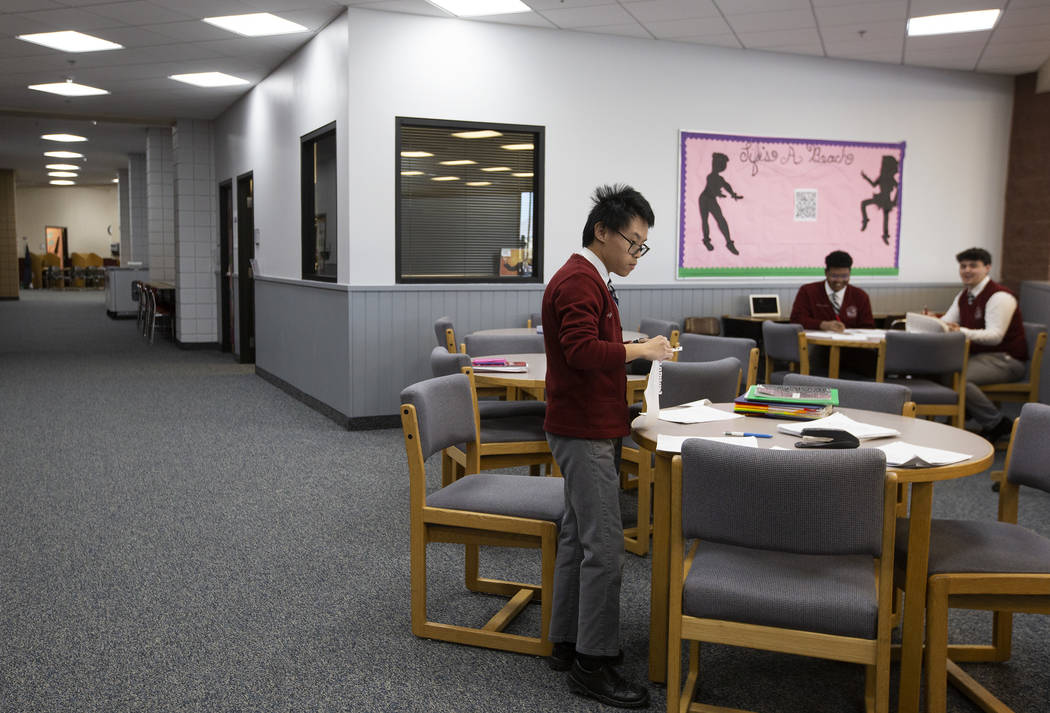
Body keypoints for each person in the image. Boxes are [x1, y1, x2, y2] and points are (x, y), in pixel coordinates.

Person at [542, 184, 673, 709]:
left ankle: (568, 643)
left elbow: (591, 346)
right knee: (606, 548)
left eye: (643, 244)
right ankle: (592, 666)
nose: (636, 252)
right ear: (602, 231)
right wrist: (639, 348)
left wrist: (628, 346)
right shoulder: (579, 280)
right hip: (583, 430)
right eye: (632, 241)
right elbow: (579, 350)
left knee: (578, 537)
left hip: (585, 423)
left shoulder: (592, 278)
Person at [940, 247, 1028, 442]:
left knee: (960, 378)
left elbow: (995, 336)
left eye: (973, 265)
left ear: (987, 268)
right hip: (980, 358)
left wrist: (959, 330)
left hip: (1007, 360)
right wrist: (934, 323)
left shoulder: (999, 296)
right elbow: (947, 322)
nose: (967, 270)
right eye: (963, 266)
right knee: (944, 371)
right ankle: (963, 415)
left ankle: (998, 424)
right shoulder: (965, 295)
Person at [790, 250, 875, 332]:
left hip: (851, 345)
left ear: (850, 273)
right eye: (834, 276)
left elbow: (868, 327)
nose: (839, 280)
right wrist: (822, 325)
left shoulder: (860, 296)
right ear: (826, 273)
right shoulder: (807, 291)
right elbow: (796, 320)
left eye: (844, 276)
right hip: (817, 344)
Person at [698, 152, 743, 255]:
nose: (721, 166)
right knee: (705, 220)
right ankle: (706, 240)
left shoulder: (720, 178)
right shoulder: (710, 176)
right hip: (704, 199)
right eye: (720, 164)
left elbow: (727, 185)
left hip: (712, 200)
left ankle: (729, 242)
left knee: (721, 220)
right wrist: (718, 193)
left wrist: (733, 194)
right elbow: (712, 187)